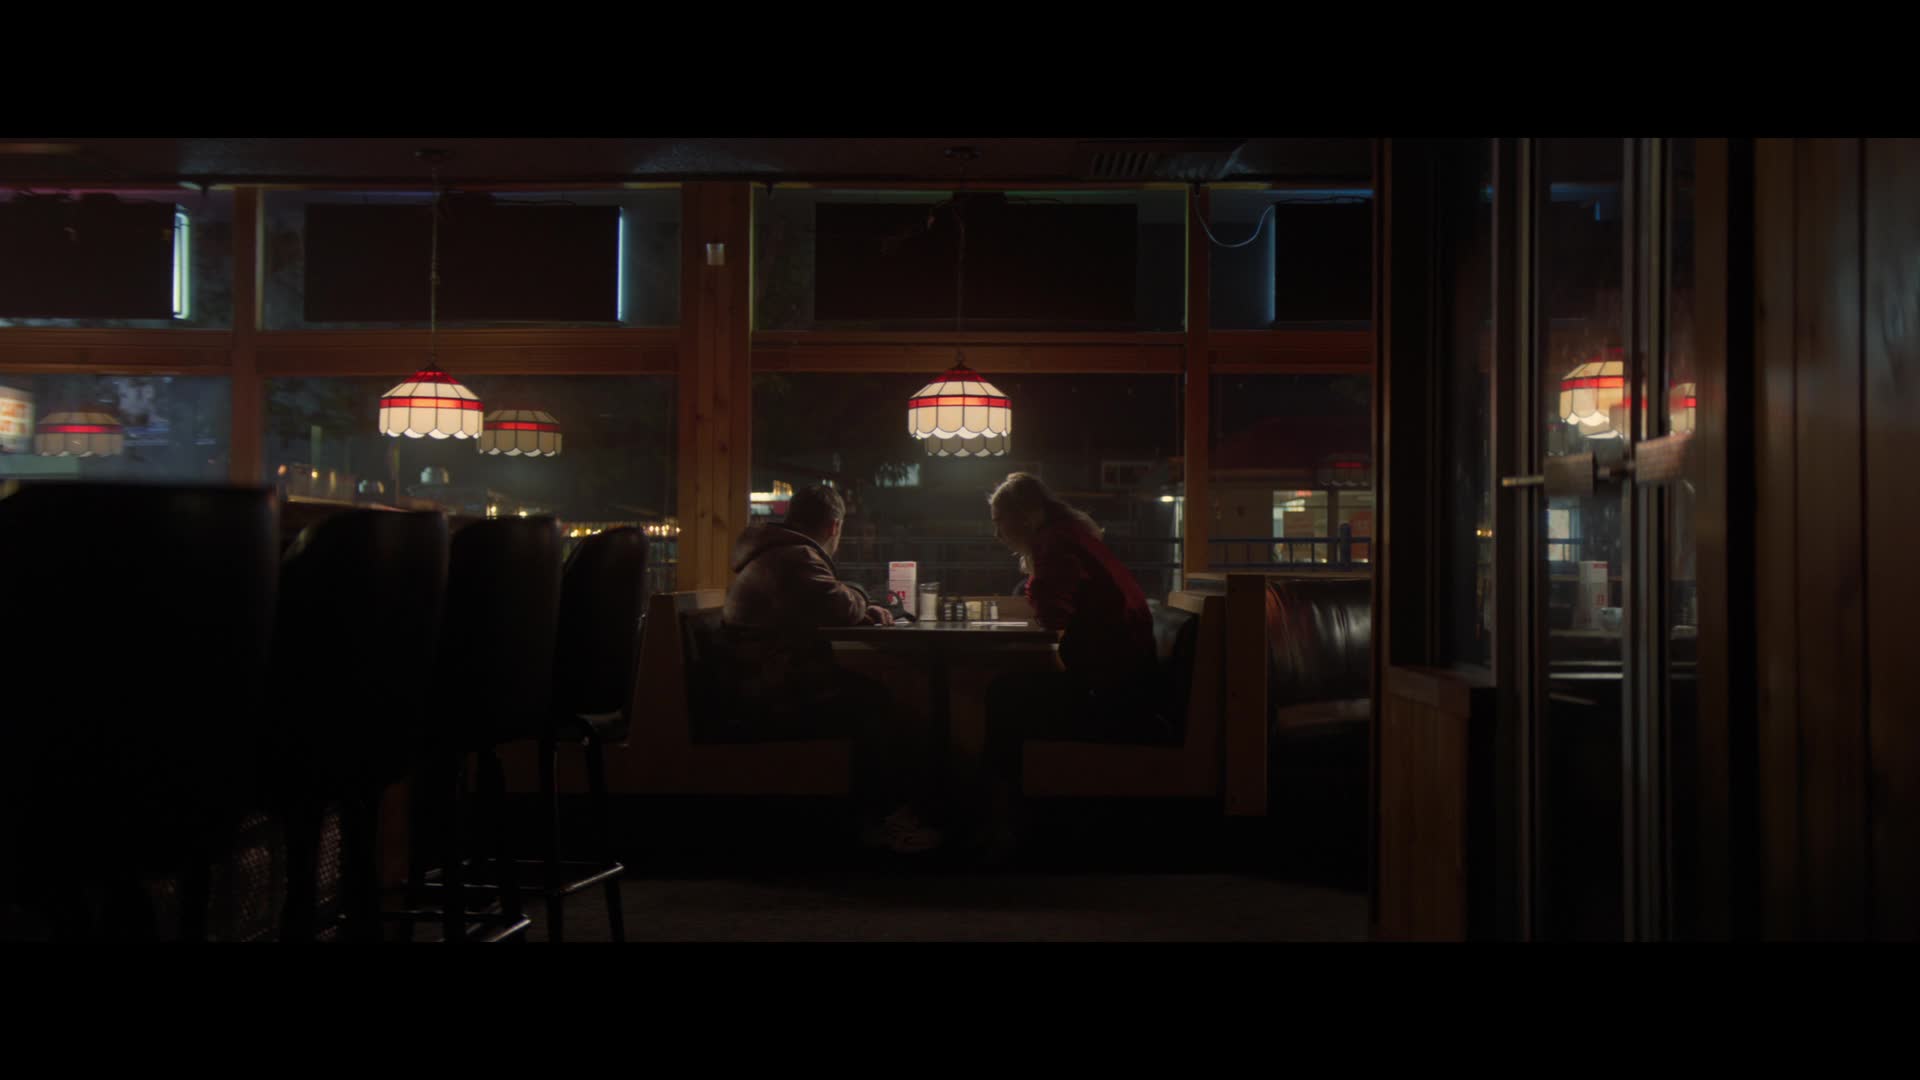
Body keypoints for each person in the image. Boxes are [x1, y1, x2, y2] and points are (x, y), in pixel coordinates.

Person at [722, 484, 944, 854]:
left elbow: (828, 603)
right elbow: (840, 606)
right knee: (875, 706)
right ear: (834, 526)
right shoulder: (794, 557)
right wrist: (861, 600)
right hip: (771, 690)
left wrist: (855, 605)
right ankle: (881, 821)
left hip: (761, 679)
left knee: (876, 699)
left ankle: (886, 815)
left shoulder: (774, 552)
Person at [974, 473, 1175, 860]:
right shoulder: (1075, 536)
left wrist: (1034, 585)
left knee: (1003, 694)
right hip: (1129, 679)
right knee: (1010, 691)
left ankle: (999, 816)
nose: (997, 533)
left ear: (1025, 516)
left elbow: (1054, 614)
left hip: (1114, 691)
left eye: (1000, 521)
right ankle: (1005, 812)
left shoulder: (1056, 544)